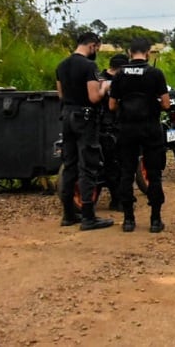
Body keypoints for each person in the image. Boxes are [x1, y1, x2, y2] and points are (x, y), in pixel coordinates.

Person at [109, 38, 170, 233]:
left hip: (126, 129)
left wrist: (125, 108)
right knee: (154, 174)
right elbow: (166, 104)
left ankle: (128, 220)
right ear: (148, 52)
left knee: (126, 173)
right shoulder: (155, 73)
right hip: (150, 128)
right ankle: (155, 220)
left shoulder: (119, 75)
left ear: (129, 52)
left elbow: (111, 105)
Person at [55, 31, 114, 231]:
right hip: (85, 119)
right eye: (97, 48)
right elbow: (94, 97)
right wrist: (105, 87)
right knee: (88, 164)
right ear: (92, 46)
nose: (96, 51)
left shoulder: (61, 66)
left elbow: (61, 94)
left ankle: (68, 214)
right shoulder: (89, 66)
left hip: (67, 116)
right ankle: (88, 216)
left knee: (69, 164)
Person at [98, 53, 129, 211]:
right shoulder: (120, 79)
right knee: (117, 163)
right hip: (113, 125)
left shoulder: (98, 78)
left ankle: (118, 197)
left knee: (111, 163)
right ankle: (118, 199)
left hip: (101, 125)